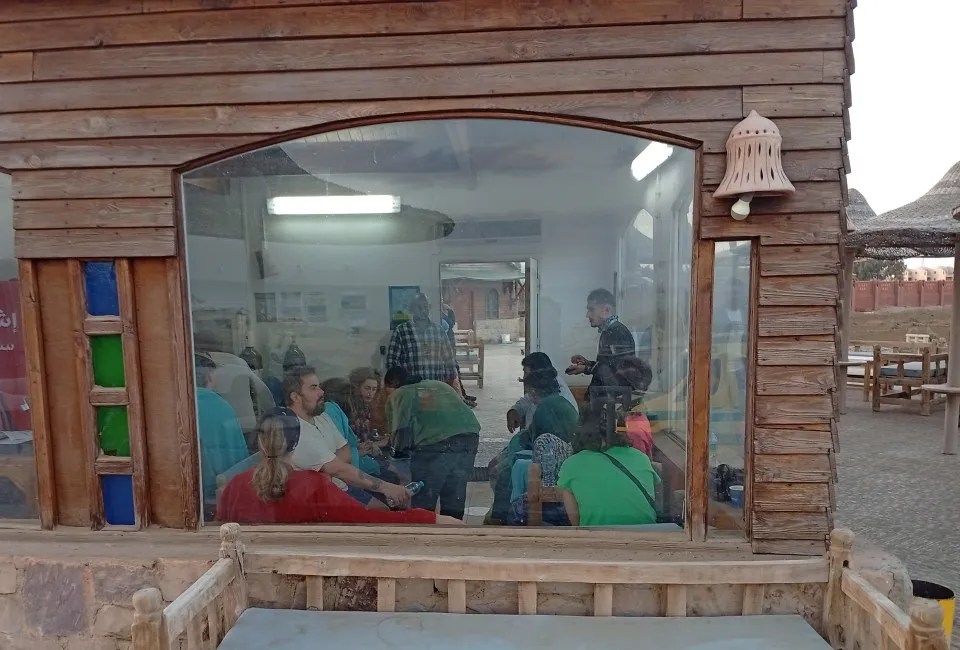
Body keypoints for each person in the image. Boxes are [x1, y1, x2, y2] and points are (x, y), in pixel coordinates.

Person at [216, 413, 463, 526]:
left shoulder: (235, 487)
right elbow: (370, 520)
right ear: (296, 443)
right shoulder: (312, 485)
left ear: (259, 442)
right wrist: (432, 518)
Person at [279, 366, 411, 510]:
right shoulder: (294, 431)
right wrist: (385, 487)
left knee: (384, 509)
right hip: (322, 499)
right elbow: (339, 468)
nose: (321, 392)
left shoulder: (322, 416)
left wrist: (331, 466)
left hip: (342, 485)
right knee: (383, 517)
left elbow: (346, 451)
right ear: (295, 397)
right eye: (313, 388)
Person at [383, 367, 480, 519]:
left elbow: (400, 438)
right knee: (455, 492)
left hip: (435, 445)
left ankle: (424, 534)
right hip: (469, 436)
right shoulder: (438, 385)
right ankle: (453, 532)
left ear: (392, 384)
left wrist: (395, 463)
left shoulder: (398, 395)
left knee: (424, 495)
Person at [488, 366, 579, 524]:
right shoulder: (560, 401)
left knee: (502, 472)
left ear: (533, 392)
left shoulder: (545, 409)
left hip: (552, 459)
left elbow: (538, 443)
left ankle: (501, 519)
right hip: (562, 455)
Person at [557, 420, 660, 527]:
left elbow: (576, 523)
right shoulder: (641, 457)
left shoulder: (572, 464)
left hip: (597, 538)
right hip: (646, 535)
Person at [194, 353, 253, 519]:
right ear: (210, 376)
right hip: (217, 497)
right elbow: (239, 462)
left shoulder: (178, 405)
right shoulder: (223, 407)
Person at [566, 288, 636, 394]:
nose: (587, 315)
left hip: (611, 401)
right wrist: (587, 363)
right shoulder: (609, 332)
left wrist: (586, 369)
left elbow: (617, 371)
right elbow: (609, 365)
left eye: (591, 309)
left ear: (607, 310)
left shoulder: (618, 333)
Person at [507, 352, 579, 434]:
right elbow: (527, 400)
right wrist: (514, 410)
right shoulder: (544, 388)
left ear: (537, 374)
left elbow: (540, 438)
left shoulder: (555, 402)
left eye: (526, 373)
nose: (524, 378)